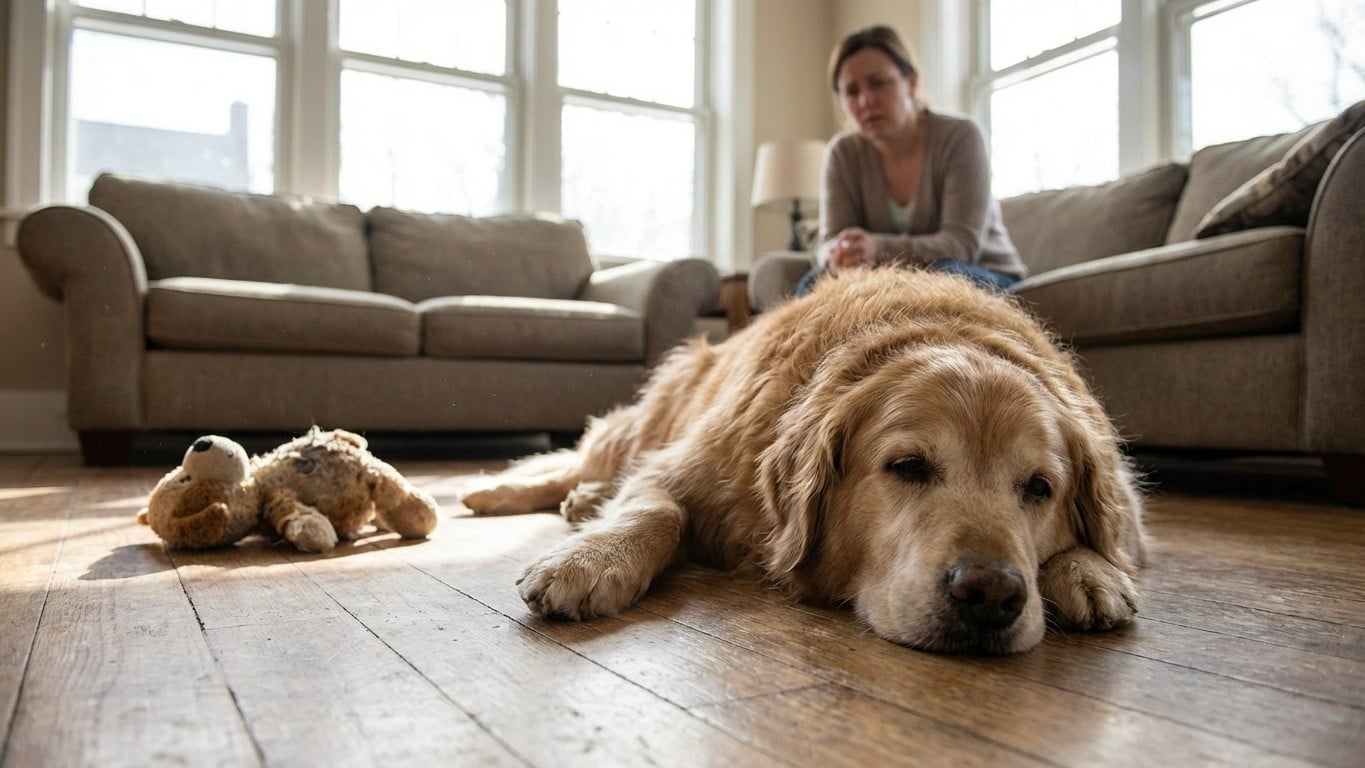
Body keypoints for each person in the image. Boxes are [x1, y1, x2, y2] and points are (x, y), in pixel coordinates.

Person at [796, 25, 1025, 296]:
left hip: (982, 271)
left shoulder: (961, 137)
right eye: (851, 92)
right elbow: (830, 241)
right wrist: (838, 255)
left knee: (939, 279)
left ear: (911, 82)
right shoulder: (842, 153)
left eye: (878, 83)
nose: (866, 100)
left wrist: (877, 248)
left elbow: (961, 245)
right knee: (811, 285)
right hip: (886, 277)